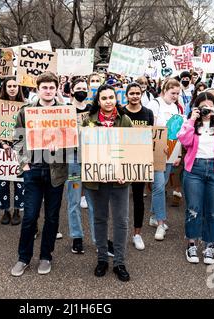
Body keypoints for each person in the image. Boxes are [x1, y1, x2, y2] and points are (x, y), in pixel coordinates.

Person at [10, 71, 68, 277]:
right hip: (33, 170)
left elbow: (72, 141)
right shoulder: (26, 112)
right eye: (44, 87)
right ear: (38, 89)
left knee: (52, 217)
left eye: (52, 87)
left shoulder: (64, 112)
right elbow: (17, 139)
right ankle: (23, 258)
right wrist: (24, 164)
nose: (48, 91)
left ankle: (46, 256)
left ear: (56, 89)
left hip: (56, 172)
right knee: (30, 217)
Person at [178, 93, 214, 264]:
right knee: (193, 208)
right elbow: (184, 139)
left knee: (213, 210)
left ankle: (209, 245)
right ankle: (192, 243)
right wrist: (191, 119)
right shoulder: (191, 123)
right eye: (202, 106)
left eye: (209, 106)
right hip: (194, 169)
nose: (206, 109)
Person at [82, 84, 132, 282]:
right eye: (104, 98)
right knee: (100, 219)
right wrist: (95, 171)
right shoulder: (88, 122)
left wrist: (126, 171)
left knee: (121, 221)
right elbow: (83, 149)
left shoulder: (125, 120)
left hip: (120, 180)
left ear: (116, 99)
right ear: (98, 101)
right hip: (97, 180)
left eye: (111, 97)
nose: (109, 101)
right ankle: (102, 259)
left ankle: (119, 262)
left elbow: (132, 149)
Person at [145, 79, 183, 241]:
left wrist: (178, 153)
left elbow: (178, 132)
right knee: (159, 186)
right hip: (157, 151)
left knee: (162, 184)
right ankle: (161, 222)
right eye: (172, 93)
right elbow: (150, 129)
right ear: (164, 90)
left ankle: (154, 217)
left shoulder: (176, 107)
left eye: (177, 93)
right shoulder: (155, 104)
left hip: (171, 150)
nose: (175, 96)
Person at [65, 77, 95, 254]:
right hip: (73, 159)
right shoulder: (66, 110)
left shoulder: (93, 110)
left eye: (84, 88)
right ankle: (77, 236)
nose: (81, 91)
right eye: (78, 88)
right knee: (74, 199)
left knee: (93, 200)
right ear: (72, 91)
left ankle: (96, 236)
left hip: (91, 158)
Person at [123, 83, 154, 251]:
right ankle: (119, 234)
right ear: (126, 95)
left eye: (137, 93)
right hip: (122, 160)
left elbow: (153, 137)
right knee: (119, 200)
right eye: (131, 93)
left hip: (140, 161)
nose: (135, 96)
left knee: (137, 198)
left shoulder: (148, 113)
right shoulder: (121, 112)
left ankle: (137, 234)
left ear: (141, 94)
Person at [0, 77, 25, 225]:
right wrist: (3, 144)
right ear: (5, 88)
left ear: (19, 88)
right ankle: (5, 210)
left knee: (19, 181)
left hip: (21, 148)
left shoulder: (25, 106)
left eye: (14, 86)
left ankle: (17, 210)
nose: (12, 88)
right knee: (3, 181)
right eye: (9, 86)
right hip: (2, 148)